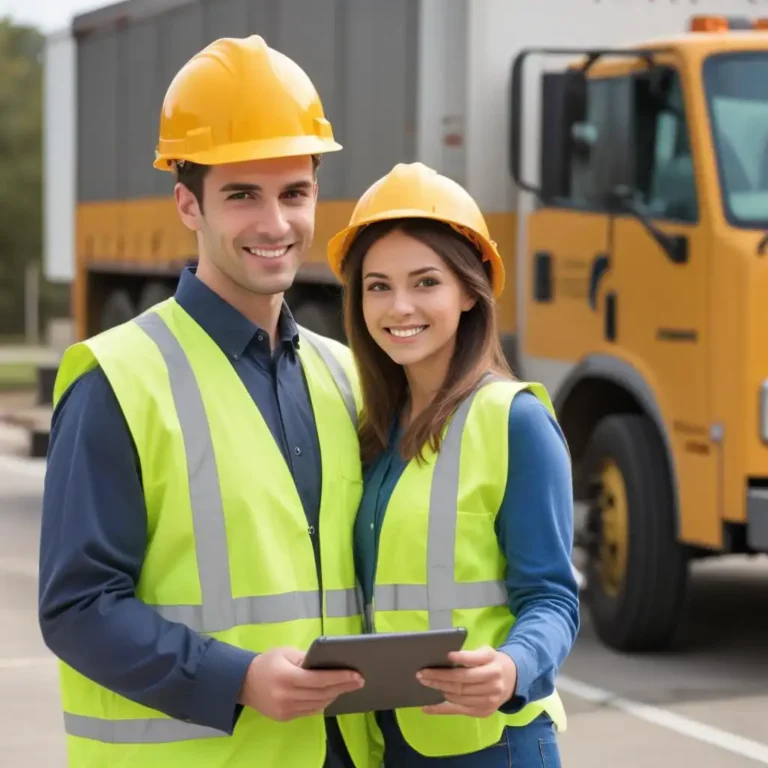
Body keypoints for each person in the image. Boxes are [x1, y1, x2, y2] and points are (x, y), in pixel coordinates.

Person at [38, 35, 381, 768]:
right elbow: (78, 608)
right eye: (242, 195)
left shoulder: (346, 376)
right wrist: (235, 679)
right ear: (188, 204)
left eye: (294, 193)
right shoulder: (116, 379)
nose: (274, 224)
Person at [325, 162, 580, 766]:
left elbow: (553, 598)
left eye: (425, 282)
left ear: (470, 291)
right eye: (378, 285)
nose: (399, 306)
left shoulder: (514, 421)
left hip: (490, 741)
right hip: (385, 742)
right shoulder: (366, 429)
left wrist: (512, 667)